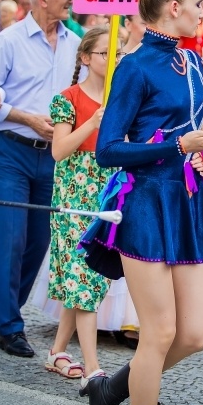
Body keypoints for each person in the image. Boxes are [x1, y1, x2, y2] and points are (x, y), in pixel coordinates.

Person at [77, 0, 203, 405]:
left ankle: (110, 390)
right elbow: (109, 151)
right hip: (143, 205)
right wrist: (176, 145)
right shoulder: (136, 67)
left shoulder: (192, 63)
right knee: (159, 334)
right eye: (199, 3)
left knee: (195, 336)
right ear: (173, 7)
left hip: (186, 204)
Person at [0, 0, 80, 358]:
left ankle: (11, 312)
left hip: (54, 157)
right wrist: (26, 116)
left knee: (38, 242)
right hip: (10, 151)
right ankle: (10, 326)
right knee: (11, 239)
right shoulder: (8, 41)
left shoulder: (75, 43)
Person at [43, 26, 114, 386]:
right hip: (73, 194)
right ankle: (93, 368)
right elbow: (58, 151)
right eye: (105, 53)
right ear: (86, 57)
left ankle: (57, 352)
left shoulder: (121, 98)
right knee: (83, 279)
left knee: (82, 277)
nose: (112, 59)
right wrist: (93, 122)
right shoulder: (67, 98)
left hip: (107, 193)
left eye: (116, 53)